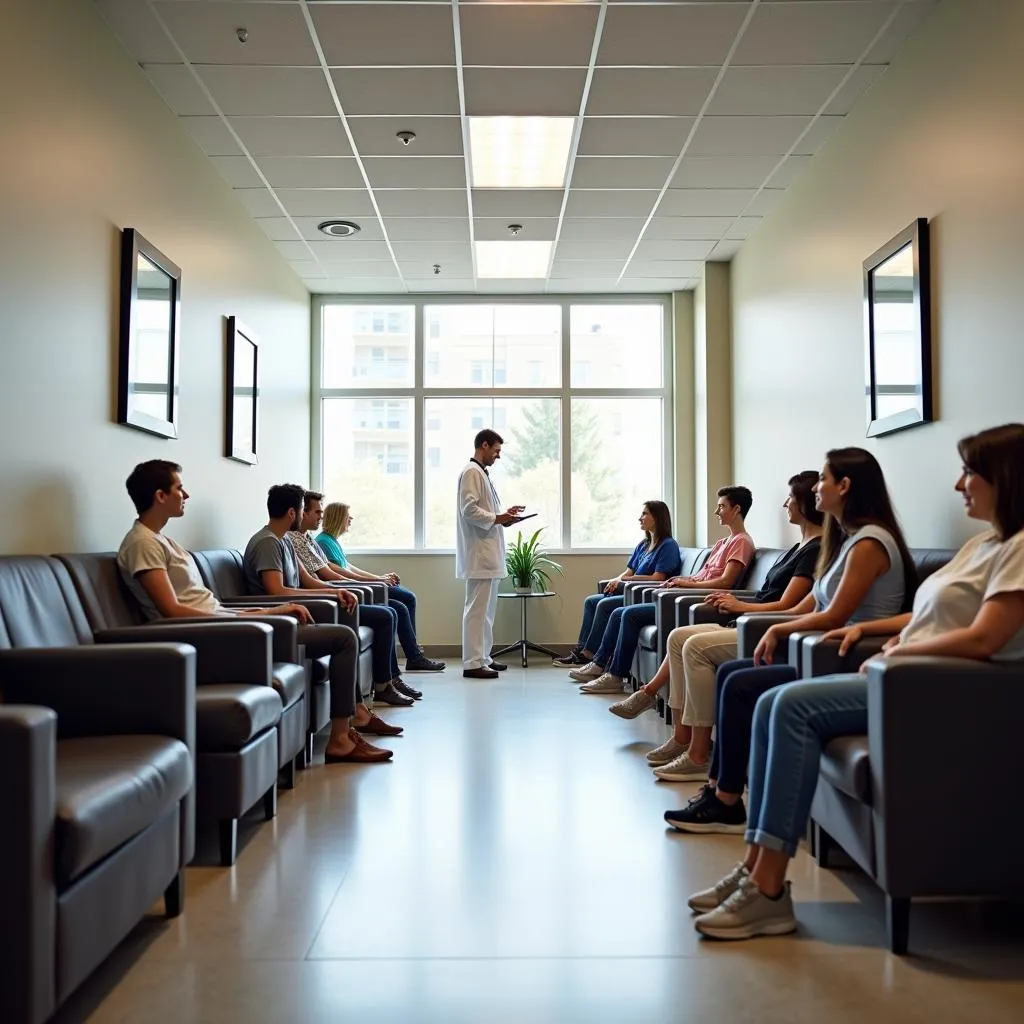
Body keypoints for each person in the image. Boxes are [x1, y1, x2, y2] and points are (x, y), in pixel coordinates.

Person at [688, 424, 1024, 941]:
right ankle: (755, 870)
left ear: (1006, 478)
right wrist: (876, 629)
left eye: (970, 473)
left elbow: (983, 638)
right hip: (911, 678)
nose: (960, 485)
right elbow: (926, 613)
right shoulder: (985, 544)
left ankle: (770, 890)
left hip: (942, 694)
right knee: (770, 702)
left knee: (789, 706)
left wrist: (905, 650)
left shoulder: (1020, 549)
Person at [665, 446, 915, 832]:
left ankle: (726, 800)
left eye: (824, 480)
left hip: (844, 658)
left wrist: (778, 627)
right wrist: (780, 625)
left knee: (740, 683)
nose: (817, 488)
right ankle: (719, 793)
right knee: (733, 676)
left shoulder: (869, 543)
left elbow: (834, 616)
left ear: (845, 486)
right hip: (823, 652)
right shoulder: (846, 542)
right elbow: (807, 607)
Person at [116, 461, 398, 765]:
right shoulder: (142, 543)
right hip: (213, 637)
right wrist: (251, 617)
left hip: (226, 626)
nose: (186, 494)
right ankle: (342, 738)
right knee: (343, 638)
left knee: (343, 632)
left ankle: (352, 723)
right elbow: (171, 611)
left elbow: (209, 604)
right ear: (160, 496)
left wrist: (266, 610)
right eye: (179, 488)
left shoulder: (162, 540)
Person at [609, 473, 823, 784]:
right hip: (749, 617)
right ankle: (682, 737)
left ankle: (698, 754)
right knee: (678, 636)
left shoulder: (813, 550)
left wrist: (740, 606)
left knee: (692, 645)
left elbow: (788, 606)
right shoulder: (797, 548)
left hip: (761, 625)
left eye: (791, 498)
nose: (785, 503)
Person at [573, 488, 752, 694]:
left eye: (721, 506)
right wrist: (680, 580)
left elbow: (725, 582)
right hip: (681, 594)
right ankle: (601, 665)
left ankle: (613, 674)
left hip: (695, 601)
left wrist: (686, 585)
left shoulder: (742, 542)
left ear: (736, 509)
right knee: (618, 611)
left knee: (628, 614)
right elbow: (702, 575)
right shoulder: (722, 543)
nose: (716, 511)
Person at [289, 492, 425, 704]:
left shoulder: (307, 539)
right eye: (317, 512)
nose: (320, 517)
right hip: (327, 600)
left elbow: (331, 568)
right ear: (300, 513)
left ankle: (393, 678)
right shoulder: (297, 541)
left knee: (397, 606)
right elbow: (324, 575)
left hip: (335, 592)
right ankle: (389, 681)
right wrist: (365, 584)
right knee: (392, 611)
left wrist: (374, 580)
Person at [315, 499, 444, 672]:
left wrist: (378, 577)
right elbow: (339, 573)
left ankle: (414, 654)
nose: (351, 519)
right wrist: (376, 581)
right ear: (338, 518)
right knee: (406, 599)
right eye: (348, 516)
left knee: (406, 599)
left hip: (358, 586)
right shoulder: (323, 541)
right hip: (352, 590)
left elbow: (349, 567)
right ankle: (414, 656)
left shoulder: (332, 540)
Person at [554, 501, 682, 672]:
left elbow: (658, 578)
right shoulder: (644, 545)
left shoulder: (668, 546)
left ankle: (590, 655)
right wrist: (614, 581)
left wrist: (625, 582)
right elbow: (628, 572)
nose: (640, 518)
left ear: (657, 518)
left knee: (605, 605)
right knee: (591, 601)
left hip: (645, 595)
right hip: (630, 590)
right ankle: (583, 650)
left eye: (645, 514)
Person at [457, 429, 526, 679]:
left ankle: (484, 657)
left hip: (487, 553)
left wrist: (504, 515)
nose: (498, 456)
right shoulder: (472, 472)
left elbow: (484, 511)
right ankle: (473, 663)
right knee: (477, 610)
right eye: (496, 450)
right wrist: (498, 517)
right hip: (479, 554)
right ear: (483, 445)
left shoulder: (481, 473)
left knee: (486, 611)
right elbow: (469, 511)